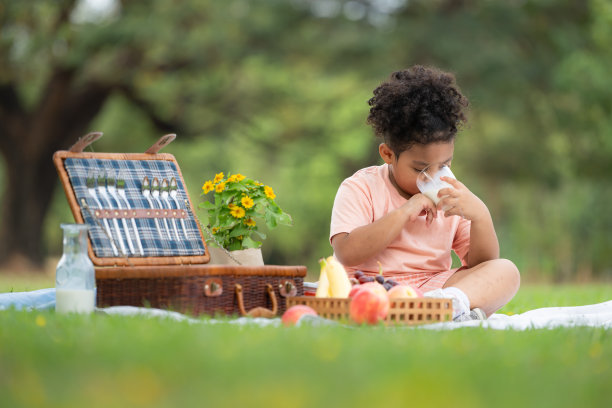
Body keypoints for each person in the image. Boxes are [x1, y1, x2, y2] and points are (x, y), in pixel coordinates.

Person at [329, 65, 520, 321]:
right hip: (372, 287)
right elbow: (347, 252)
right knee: (360, 291)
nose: (435, 176)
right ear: (387, 154)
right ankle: (440, 312)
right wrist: (407, 209)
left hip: (433, 289)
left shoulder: (449, 192)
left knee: (506, 271)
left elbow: (481, 263)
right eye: (420, 168)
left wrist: (480, 216)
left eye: (445, 165)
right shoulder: (360, 187)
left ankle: (439, 309)